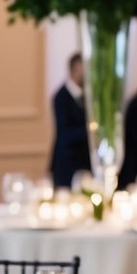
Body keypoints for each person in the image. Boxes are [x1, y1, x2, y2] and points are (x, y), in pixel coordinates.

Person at [50, 53, 90, 187]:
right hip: (66, 164)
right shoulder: (61, 97)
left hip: (84, 163)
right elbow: (64, 133)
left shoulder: (88, 97)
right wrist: (90, 129)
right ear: (75, 68)